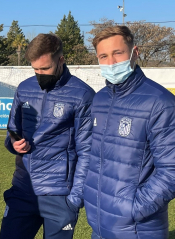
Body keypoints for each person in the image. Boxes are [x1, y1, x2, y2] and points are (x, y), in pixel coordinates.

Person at [0, 33, 95, 239]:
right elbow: (12, 131)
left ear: (61, 60)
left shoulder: (82, 94)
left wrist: (74, 200)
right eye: (35, 70)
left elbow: (88, 152)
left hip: (59, 194)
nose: (40, 74)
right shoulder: (24, 88)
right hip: (24, 188)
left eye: (45, 69)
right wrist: (14, 143)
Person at [84, 26, 175, 239]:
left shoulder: (160, 102)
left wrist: (132, 209)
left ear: (135, 52)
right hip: (99, 223)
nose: (111, 62)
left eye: (118, 53)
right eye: (103, 56)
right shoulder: (99, 99)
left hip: (137, 229)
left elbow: (171, 170)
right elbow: (92, 155)